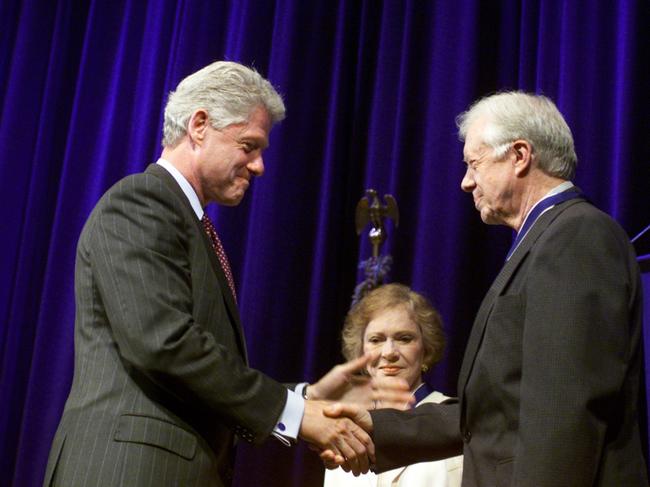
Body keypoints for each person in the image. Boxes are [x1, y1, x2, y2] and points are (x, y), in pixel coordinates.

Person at [43, 61, 377, 487]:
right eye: (248, 145)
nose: (259, 167)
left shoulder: (188, 222)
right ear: (199, 125)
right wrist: (290, 414)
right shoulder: (141, 202)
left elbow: (194, 369)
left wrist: (305, 398)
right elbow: (163, 342)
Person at [324, 92, 649, 486]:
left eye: (473, 164)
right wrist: (375, 428)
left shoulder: (576, 236)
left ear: (519, 155)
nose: (466, 182)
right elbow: (492, 416)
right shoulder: (544, 241)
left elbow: (564, 414)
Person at [321, 283, 463, 487]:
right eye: (376, 340)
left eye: (404, 339)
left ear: (427, 349)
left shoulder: (456, 420)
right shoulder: (343, 430)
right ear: (360, 352)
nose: (389, 352)